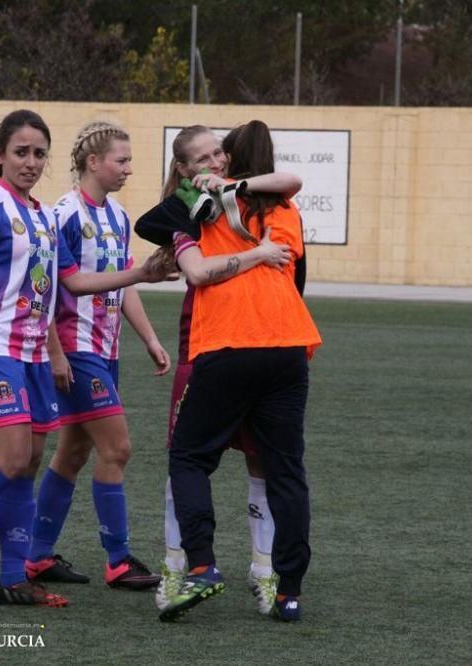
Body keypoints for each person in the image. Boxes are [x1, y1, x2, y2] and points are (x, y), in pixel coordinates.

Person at [0, 110, 171, 609]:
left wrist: (55, 348)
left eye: (38, 154)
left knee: (29, 463)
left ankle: (14, 578)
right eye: (20, 152)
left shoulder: (42, 216)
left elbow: (65, 285)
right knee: (11, 457)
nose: (31, 162)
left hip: (33, 354)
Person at [155, 119, 321, 622]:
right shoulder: (277, 207)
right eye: (205, 158)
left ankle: (200, 566)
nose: (216, 163)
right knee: (284, 471)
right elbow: (297, 267)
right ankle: (286, 590)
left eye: (219, 154)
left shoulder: (206, 206)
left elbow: (166, 236)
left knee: (188, 457)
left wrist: (215, 189)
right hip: (288, 345)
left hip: (229, 343)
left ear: (231, 158)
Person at [23, 122, 169, 592]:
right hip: (76, 349)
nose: (128, 168)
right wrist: (56, 352)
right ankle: (119, 559)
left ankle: (37, 556)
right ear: (93, 163)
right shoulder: (64, 214)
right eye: (121, 160)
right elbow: (46, 287)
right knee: (118, 448)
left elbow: (125, 281)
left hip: (106, 350)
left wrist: (148, 336)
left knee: (74, 451)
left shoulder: (120, 218)